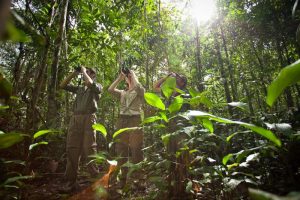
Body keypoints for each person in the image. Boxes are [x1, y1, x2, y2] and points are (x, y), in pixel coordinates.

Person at [59, 66, 102, 192]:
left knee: (89, 148)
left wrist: (84, 71)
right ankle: (70, 181)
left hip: (89, 118)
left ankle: (95, 180)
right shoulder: (79, 89)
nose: (85, 74)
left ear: (93, 75)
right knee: (72, 147)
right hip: (76, 119)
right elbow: (62, 85)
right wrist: (74, 73)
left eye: (89, 72)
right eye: (85, 72)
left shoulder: (96, 86)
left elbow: (90, 83)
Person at [153, 72, 190, 199]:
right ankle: (172, 181)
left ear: (182, 82)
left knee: (182, 153)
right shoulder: (168, 93)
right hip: (170, 127)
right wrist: (166, 77)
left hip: (181, 128)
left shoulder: (185, 93)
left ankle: (184, 183)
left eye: (178, 78)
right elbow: (155, 87)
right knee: (170, 152)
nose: (175, 79)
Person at [108, 68, 145, 188]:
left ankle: (138, 178)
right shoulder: (123, 93)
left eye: (131, 77)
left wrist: (133, 73)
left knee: (136, 148)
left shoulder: (139, 90)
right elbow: (110, 89)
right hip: (122, 120)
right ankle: (122, 178)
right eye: (128, 77)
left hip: (135, 119)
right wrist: (120, 77)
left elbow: (139, 87)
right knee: (121, 148)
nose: (129, 78)